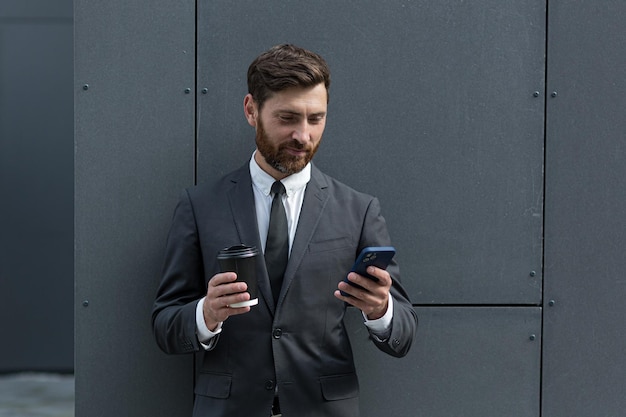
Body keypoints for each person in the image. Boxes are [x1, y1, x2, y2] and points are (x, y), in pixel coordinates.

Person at [152, 44, 417, 417]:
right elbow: (165, 324)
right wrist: (206, 315)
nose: (303, 135)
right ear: (251, 110)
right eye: (288, 118)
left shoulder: (358, 210)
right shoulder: (200, 206)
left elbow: (403, 334)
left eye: (316, 118)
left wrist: (381, 310)